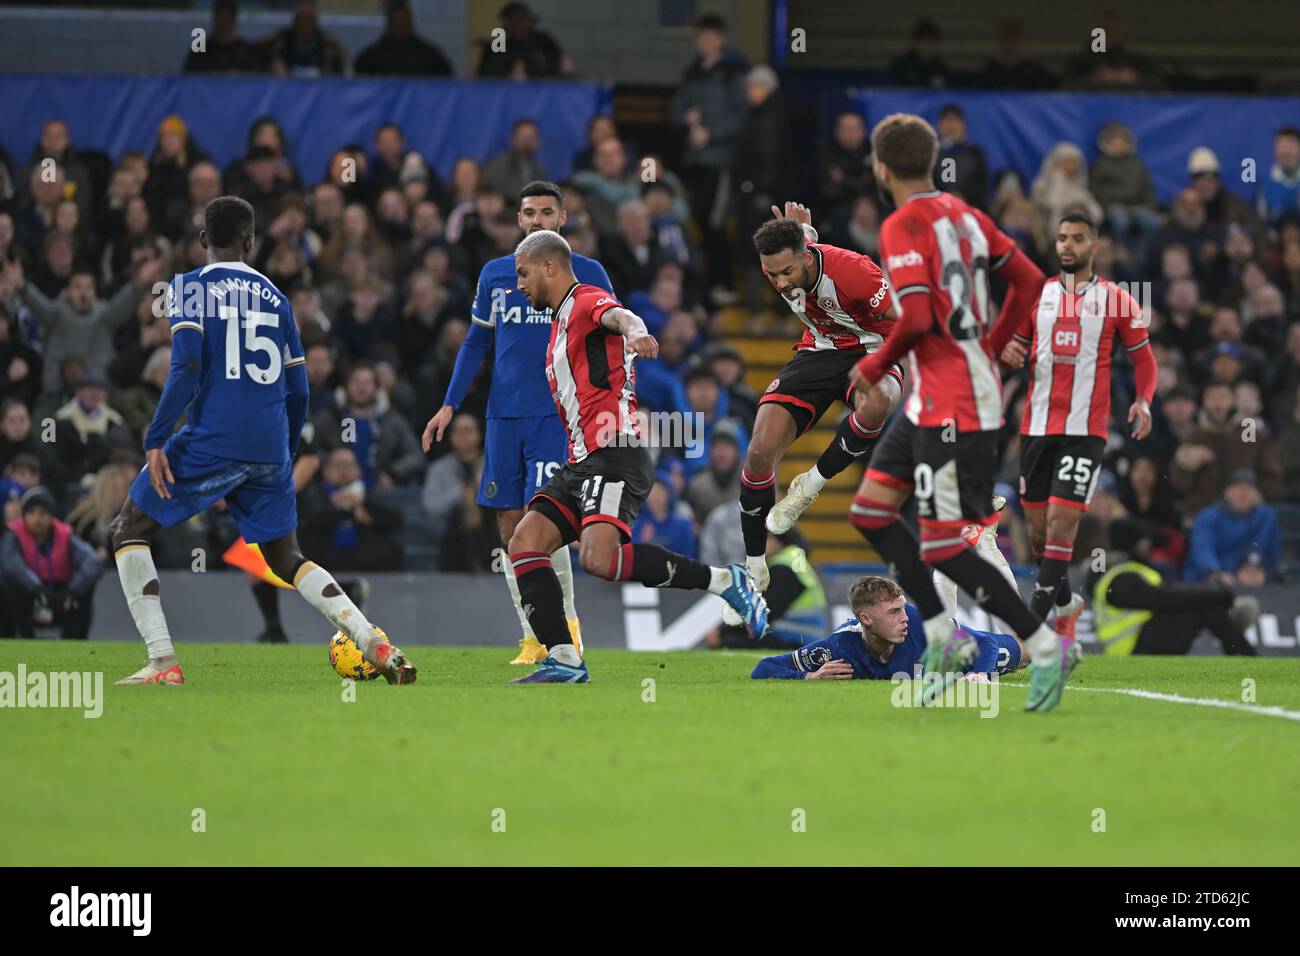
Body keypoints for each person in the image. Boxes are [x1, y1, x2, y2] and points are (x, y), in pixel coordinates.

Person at [108, 196, 415, 685]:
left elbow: (185, 366)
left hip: (212, 437)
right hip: (270, 442)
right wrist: (285, 450)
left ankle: (163, 662)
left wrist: (156, 435)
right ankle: (372, 638)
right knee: (285, 557)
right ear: (251, 242)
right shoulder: (277, 296)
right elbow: (300, 388)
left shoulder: (189, 287)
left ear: (204, 240)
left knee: (127, 528)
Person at [845, 113, 1070, 712]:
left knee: (944, 544)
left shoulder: (900, 226)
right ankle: (946, 638)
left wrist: (873, 365)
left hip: (957, 403)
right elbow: (1028, 278)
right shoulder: (968, 217)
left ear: (881, 166)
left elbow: (916, 320)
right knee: (870, 512)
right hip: (935, 397)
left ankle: (1043, 647)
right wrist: (992, 343)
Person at [504, 229, 768, 683]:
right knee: (525, 544)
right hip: (581, 461)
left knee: (599, 560)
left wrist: (640, 331)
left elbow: (621, 317)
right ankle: (564, 656)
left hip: (615, 454)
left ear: (549, 266)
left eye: (523, 273)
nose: (520, 284)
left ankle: (725, 582)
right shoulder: (560, 321)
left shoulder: (586, 300)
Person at [422, 181, 612, 665]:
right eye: (528, 212)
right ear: (518, 218)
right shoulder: (495, 275)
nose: (537, 220)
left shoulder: (588, 274)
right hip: (503, 417)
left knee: (542, 519)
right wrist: (448, 404)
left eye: (547, 212)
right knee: (509, 526)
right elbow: (476, 344)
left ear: (563, 219)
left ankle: (565, 629)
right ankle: (533, 634)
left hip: (557, 414)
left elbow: (612, 342)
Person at [739, 203, 902, 606]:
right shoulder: (787, 257)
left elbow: (903, 324)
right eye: (772, 274)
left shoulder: (858, 273)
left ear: (806, 257)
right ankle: (755, 563)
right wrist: (802, 231)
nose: (779, 283)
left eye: (786, 273)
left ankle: (812, 483)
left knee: (879, 400)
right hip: (818, 350)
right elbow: (802, 244)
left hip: (873, 349)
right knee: (759, 450)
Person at [999, 212, 1156, 623]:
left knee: (1062, 523)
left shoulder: (1118, 299)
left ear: (1095, 246)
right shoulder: (1037, 294)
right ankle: (1067, 604)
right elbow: (1011, 348)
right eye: (1062, 238)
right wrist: (1009, 355)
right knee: (1037, 530)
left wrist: (1143, 400)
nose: (1068, 245)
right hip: (1035, 428)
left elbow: (1145, 359)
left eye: (1078, 239)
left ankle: (1029, 631)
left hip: (1085, 431)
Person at [1093, 518, 1256, 656]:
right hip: (1131, 649)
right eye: (1144, 540)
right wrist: (1216, 594)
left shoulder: (1127, 572)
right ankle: (1243, 654)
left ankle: (1237, 644)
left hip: (1136, 643)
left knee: (1202, 603)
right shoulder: (1122, 578)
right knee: (1203, 606)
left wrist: (1212, 595)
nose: (1148, 544)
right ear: (1133, 544)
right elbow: (1164, 599)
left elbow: (1168, 595)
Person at [0, 486, 102, 639]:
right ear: (24, 516)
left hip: (62, 594)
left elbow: (92, 562)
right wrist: (37, 588)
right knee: (6, 583)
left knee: (86, 589)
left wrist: (73, 590)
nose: (37, 519)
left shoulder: (65, 535)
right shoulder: (13, 535)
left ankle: (74, 643)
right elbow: (12, 566)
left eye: (42, 513)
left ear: (51, 516)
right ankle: (18, 641)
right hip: (30, 595)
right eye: (31, 513)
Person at [1183, 468, 1281, 584]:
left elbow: (1266, 552)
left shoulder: (1266, 516)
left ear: (1257, 494)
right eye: (1238, 488)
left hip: (1250, 581)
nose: (1243, 494)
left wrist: (1257, 571)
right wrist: (1216, 573)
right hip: (1207, 580)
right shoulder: (1208, 515)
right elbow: (1202, 550)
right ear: (1226, 492)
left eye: (1249, 489)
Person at [353, 0, 454, 77]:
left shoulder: (431, 57)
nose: (401, 26)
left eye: (404, 20)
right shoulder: (370, 59)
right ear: (389, 23)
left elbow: (446, 90)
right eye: (397, 21)